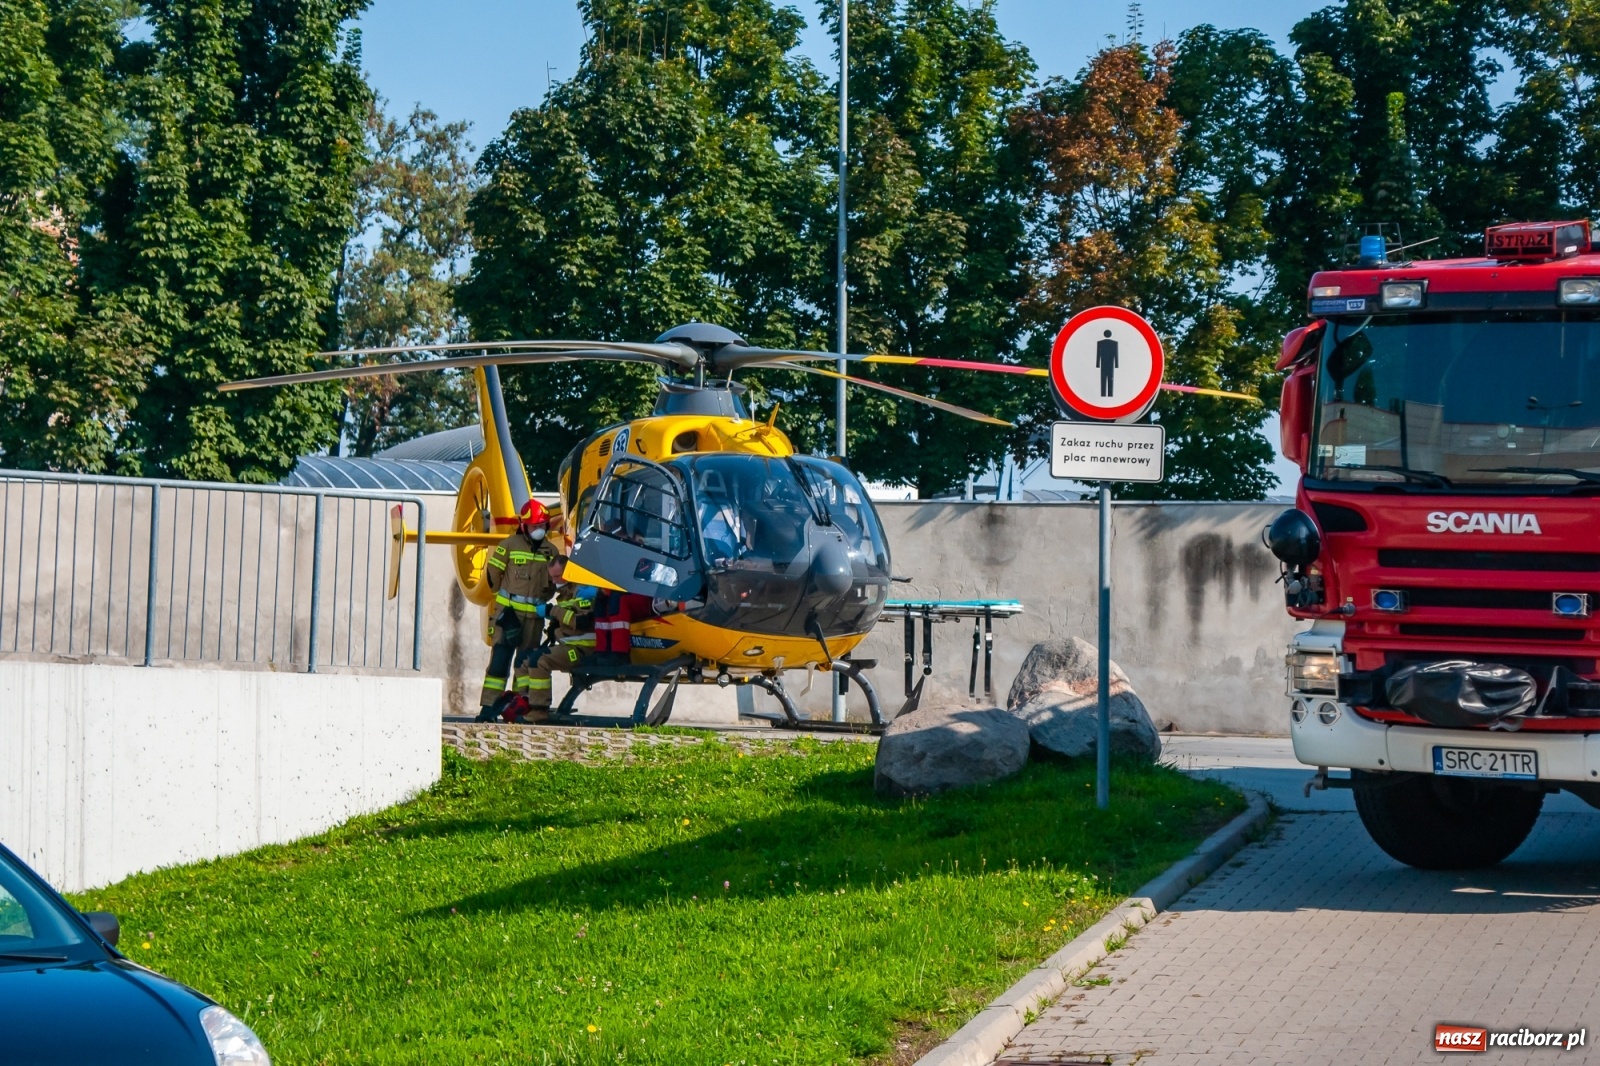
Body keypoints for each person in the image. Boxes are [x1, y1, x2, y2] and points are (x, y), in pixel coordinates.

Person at [476, 499, 558, 722]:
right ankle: (488, 707)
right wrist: (502, 603)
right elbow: (493, 573)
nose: (537, 530)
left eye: (541, 525)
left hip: (534, 618)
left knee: (525, 664)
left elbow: (552, 583)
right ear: (524, 526)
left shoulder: (551, 551)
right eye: (533, 526)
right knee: (500, 660)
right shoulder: (509, 545)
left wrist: (544, 601)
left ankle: (518, 708)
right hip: (508, 616)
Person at [507, 556, 598, 723]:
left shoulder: (583, 590)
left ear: (569, 571)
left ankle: (539, 710)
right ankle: (525, 701)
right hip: (568, 646)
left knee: (538, 661)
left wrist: (553, 611)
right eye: (552, 577)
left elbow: (583, 622)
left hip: (583, 650)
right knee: (522, 660)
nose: (555, 582)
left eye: (558, 576)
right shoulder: (564, 594)